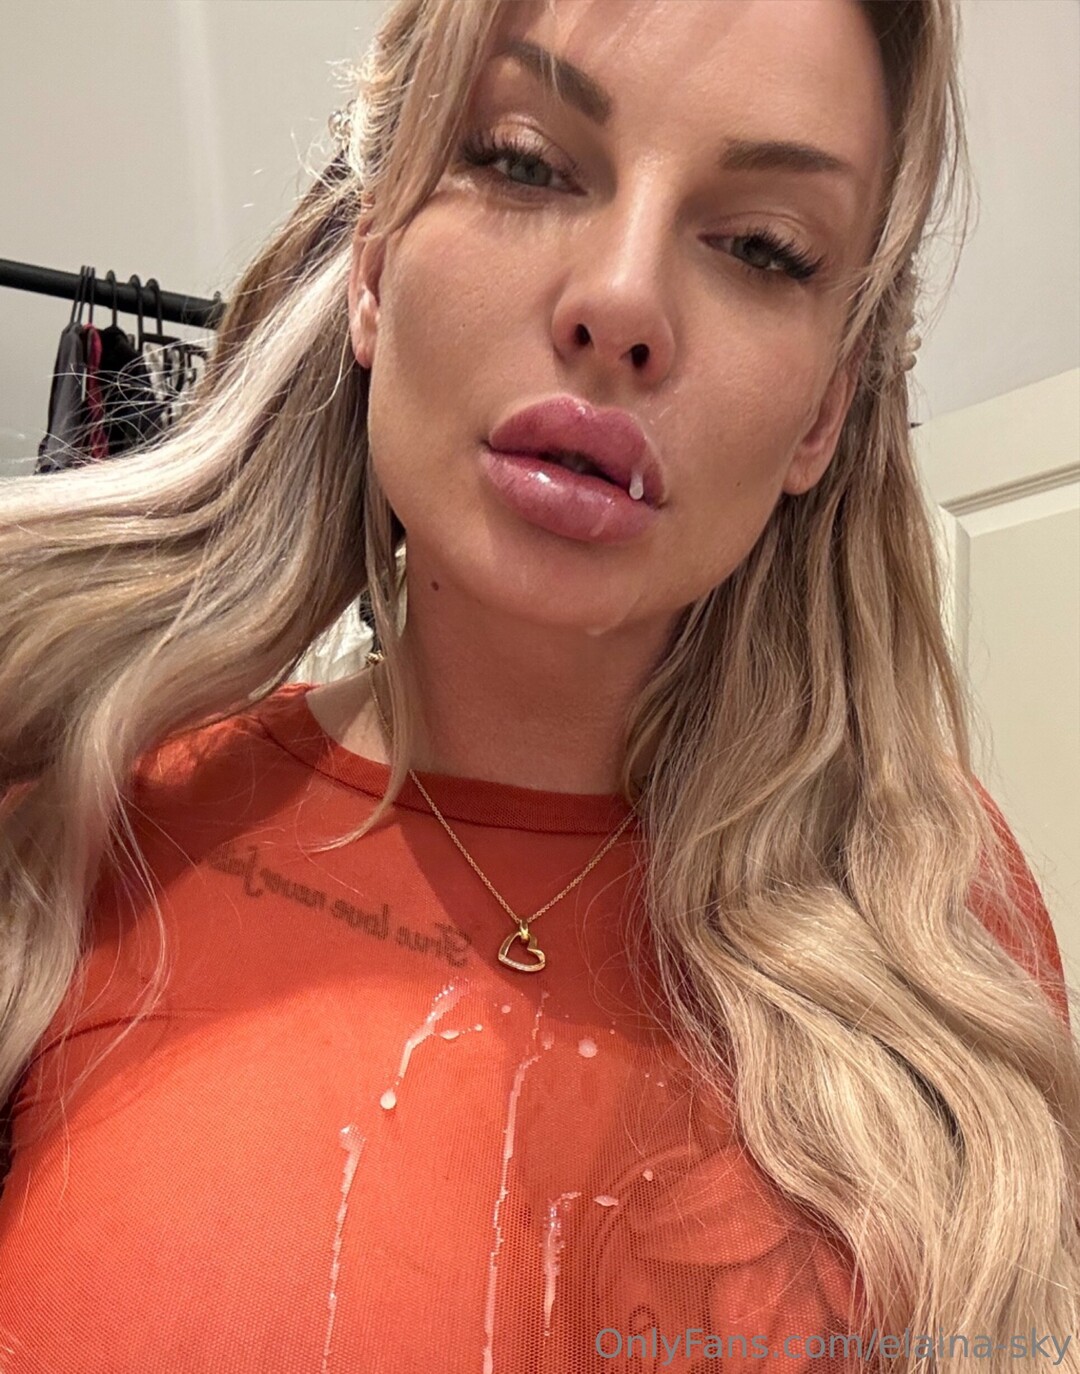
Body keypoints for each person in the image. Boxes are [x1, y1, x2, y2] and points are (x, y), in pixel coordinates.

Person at [0, 1, 1077, 1370]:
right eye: (523, 160)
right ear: (373, 266)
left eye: (761, 247)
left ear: (823, 410)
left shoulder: (933, 911)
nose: (621, 302)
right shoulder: (75, 819)